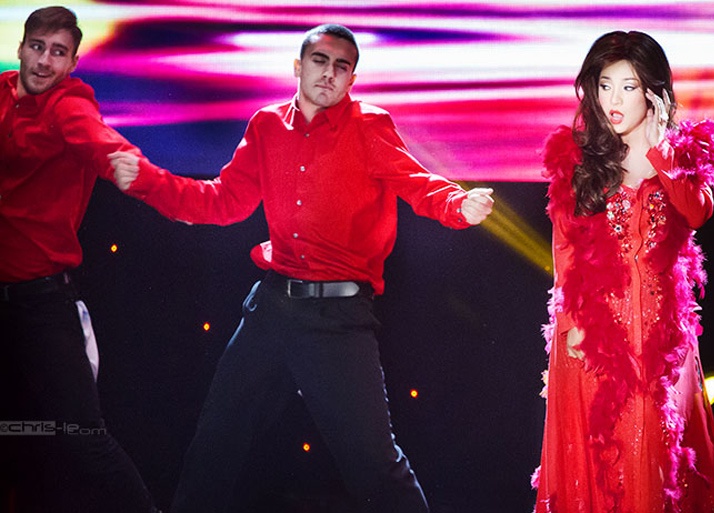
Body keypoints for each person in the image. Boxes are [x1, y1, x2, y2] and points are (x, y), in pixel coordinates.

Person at [109, 23, 494, 513]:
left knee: (373, 463)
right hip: (272, 309)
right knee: (217, 442)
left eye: (341, 67)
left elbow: (417, 183)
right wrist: (149, 181)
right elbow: (224, 201)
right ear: (298, 66)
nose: (329, 74)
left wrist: (458, 205)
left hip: (338, 320)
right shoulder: (267, 125)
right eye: (320, 61)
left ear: (352, 78)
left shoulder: (370, 126)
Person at [531, 31, 714, 512]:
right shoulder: (579, 158)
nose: (614, 100)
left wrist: (660, 150)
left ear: (654, 92)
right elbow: (565, 247)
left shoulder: (685, 153)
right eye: (605, 86)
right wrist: (575, 323)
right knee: (602, 464)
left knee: (656, 459)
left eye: (628, 87)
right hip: (596, 330)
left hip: (662, 336)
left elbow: (697, 212)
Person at [0, 6, 159, 513]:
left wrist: (129, 165)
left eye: (59, 53)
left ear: (71, 64)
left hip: (40, 304)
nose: (45, 61)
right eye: (38, 47)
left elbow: (100, 140)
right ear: (21, 48)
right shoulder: (2, 94)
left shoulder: (69, 107)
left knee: (80, 438)